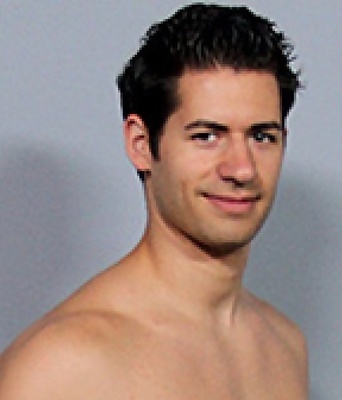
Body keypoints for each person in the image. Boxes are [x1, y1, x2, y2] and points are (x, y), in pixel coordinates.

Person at [0, 3, 308, 399]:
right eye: (206, 136)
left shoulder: (284, 347)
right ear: (141, 144)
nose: (242, 169)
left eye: (262, 136)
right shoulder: (62, 366)